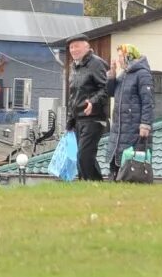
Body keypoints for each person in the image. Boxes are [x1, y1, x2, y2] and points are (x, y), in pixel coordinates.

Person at [104, 44, 154, 180]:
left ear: (129, 56)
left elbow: (148, 101)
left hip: (133, 126)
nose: (119, 59)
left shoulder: (142, 74)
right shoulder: (124, 74)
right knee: (116, 159)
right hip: (119, 126)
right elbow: (110, 92)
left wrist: (145, 124)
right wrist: (112, 75)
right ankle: (115, 179)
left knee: (131, 159)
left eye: (121, 56)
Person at [64, 33, 109, 181]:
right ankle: (89, 183)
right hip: (78, 119)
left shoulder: (96, 63)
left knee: (84, 154)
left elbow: (106, 88)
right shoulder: (74, 66)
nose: (73, 50)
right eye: (71, 47)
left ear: (86, 46)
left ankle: (92, 183)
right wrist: (70, 119)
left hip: (94, 118)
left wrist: (93, 102)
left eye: (76, 46)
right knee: (81, 156)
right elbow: (73, 95)